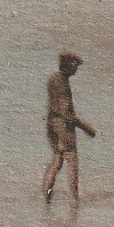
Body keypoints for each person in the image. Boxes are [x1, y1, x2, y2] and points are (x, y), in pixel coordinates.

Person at [42, 52, 96, 204]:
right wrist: (86, 128)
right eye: (75, 65)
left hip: (52, 125)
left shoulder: (53, 79)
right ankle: (75, 200)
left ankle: (47, 196)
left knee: (57, 161)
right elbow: (66, 112)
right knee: (72, 162)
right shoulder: (63, 83)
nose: (77, 69)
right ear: (68, 66)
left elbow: (56, 107)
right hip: (64, 127)